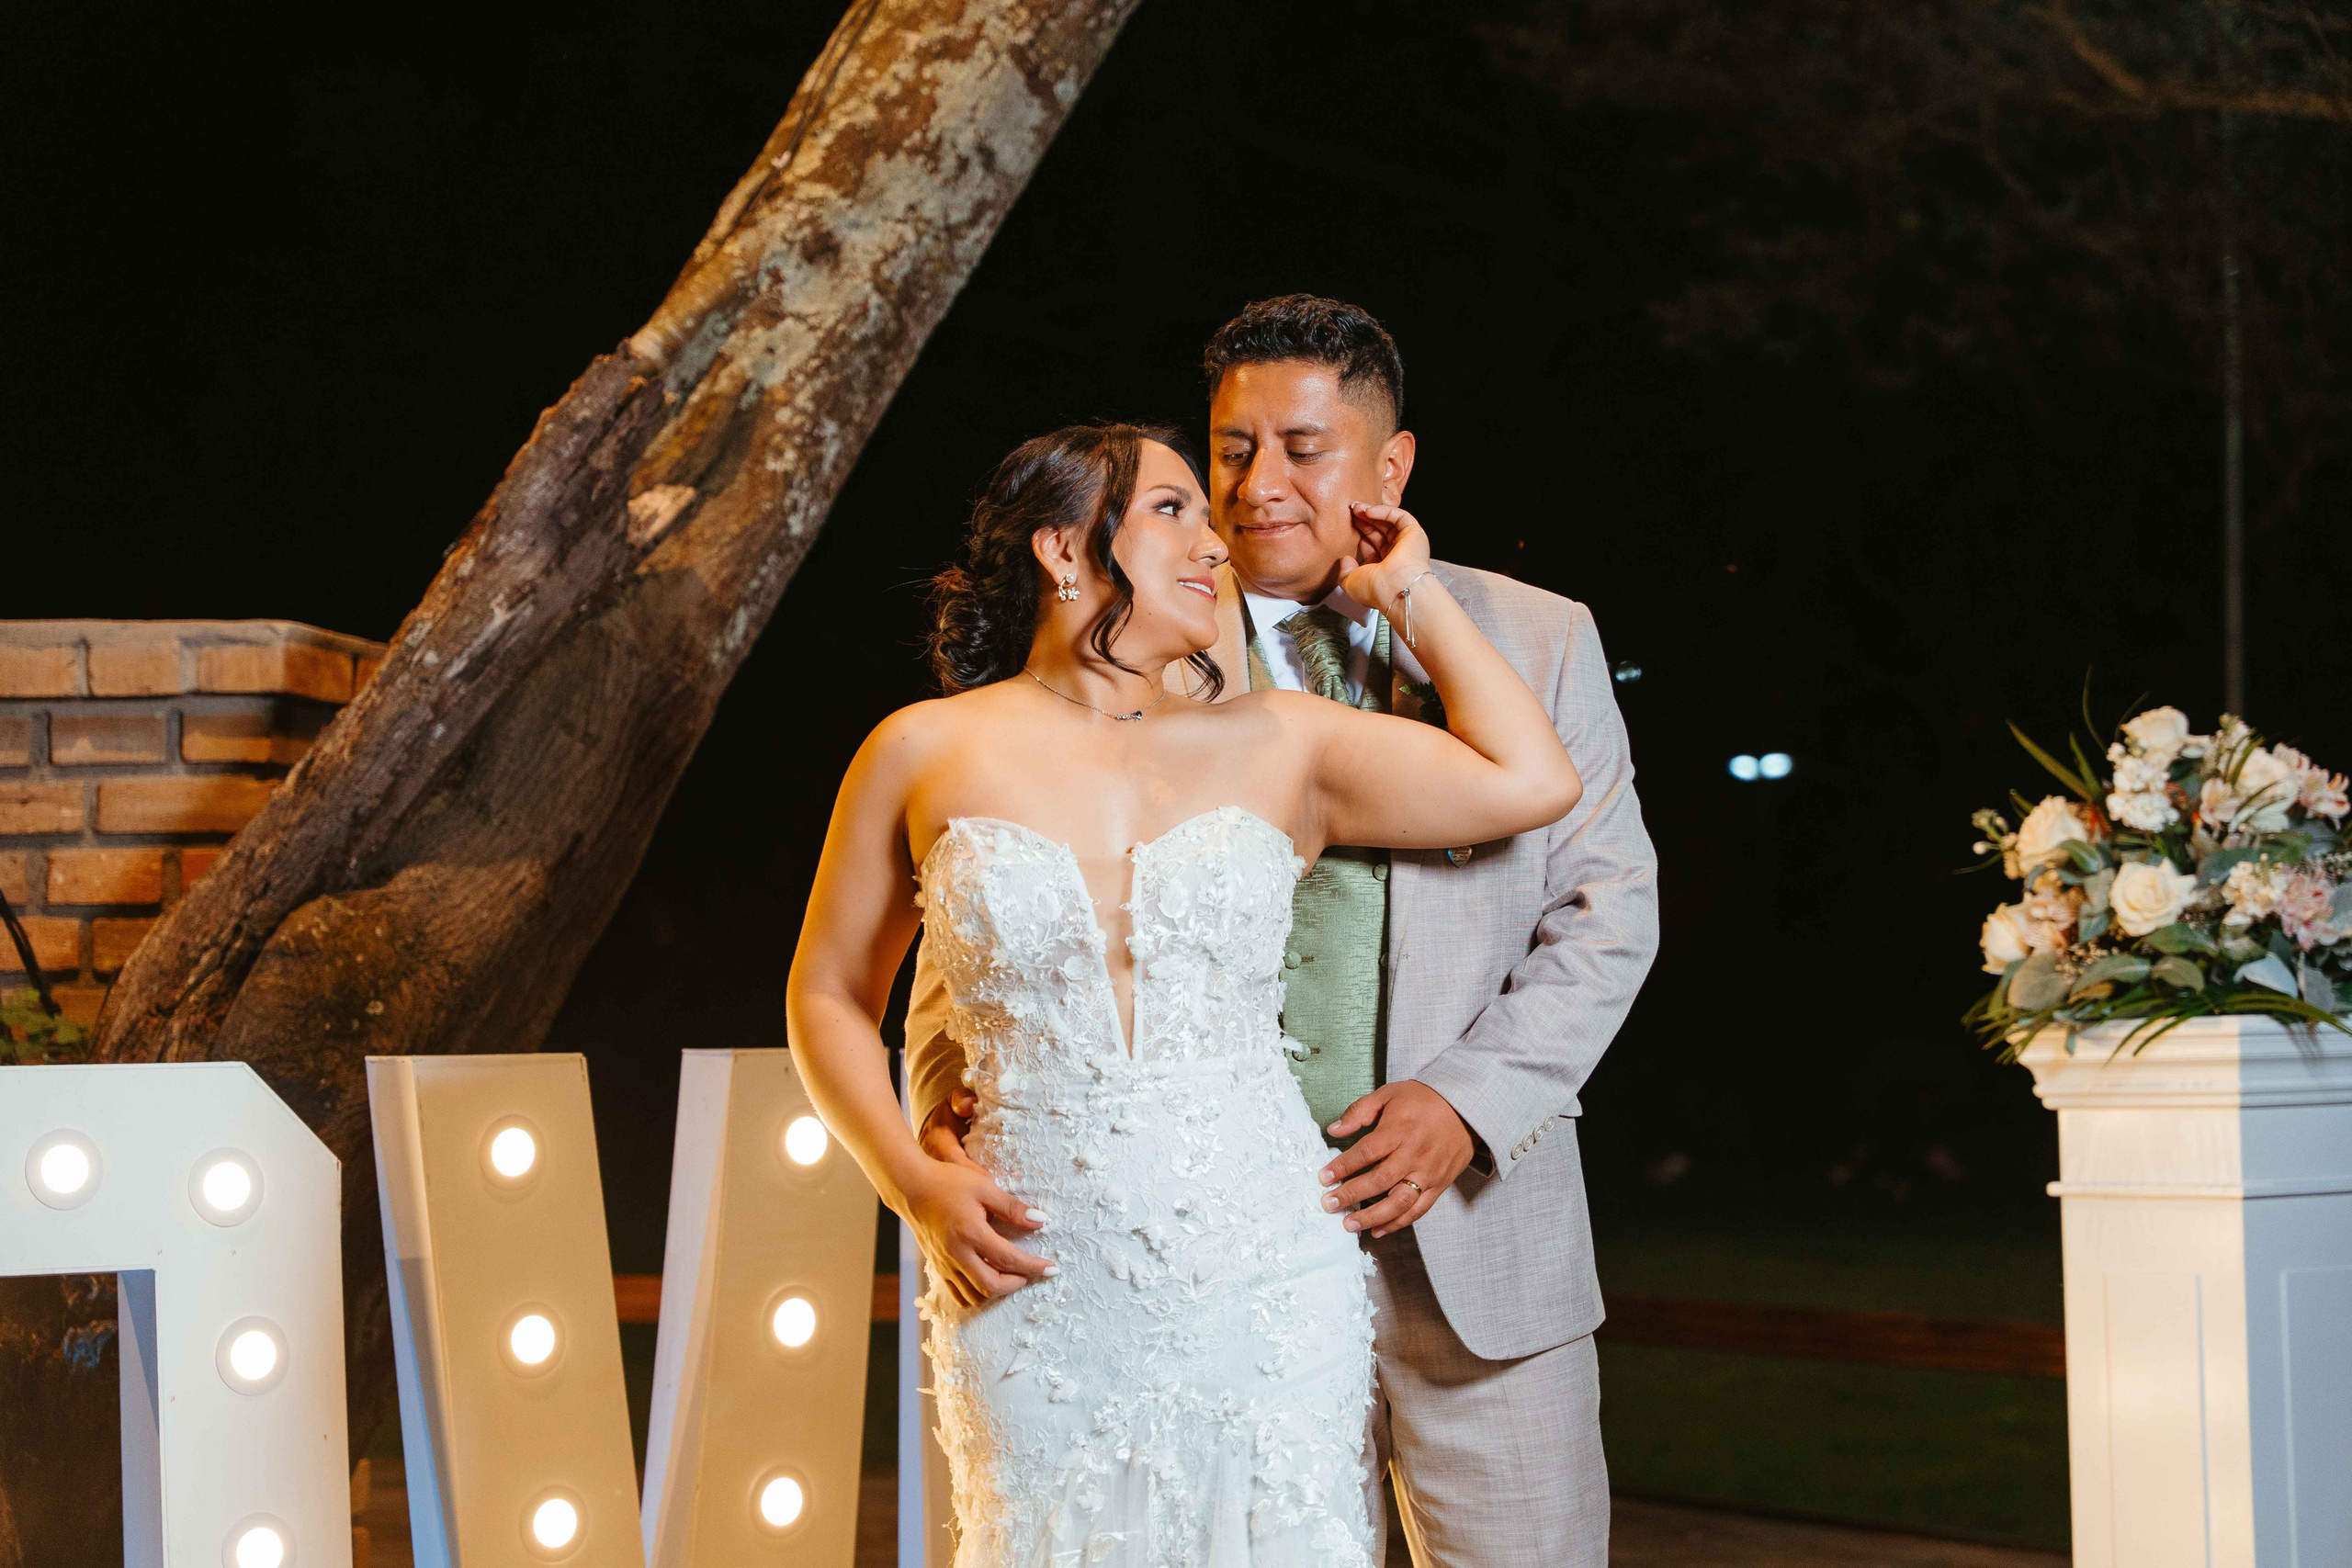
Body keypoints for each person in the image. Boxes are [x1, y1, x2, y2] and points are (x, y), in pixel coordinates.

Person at [907, 297, 1660, 1566]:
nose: (1259, 488)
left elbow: (1606, 914)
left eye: (1303, 449)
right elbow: (983, 916)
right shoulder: (1138, 651)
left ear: (1391, 465)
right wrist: (943, 1101)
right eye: (1232, 450)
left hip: (1474, 1252)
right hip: (1188, 1270)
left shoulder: (1538, 638)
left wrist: (1467, 1101)